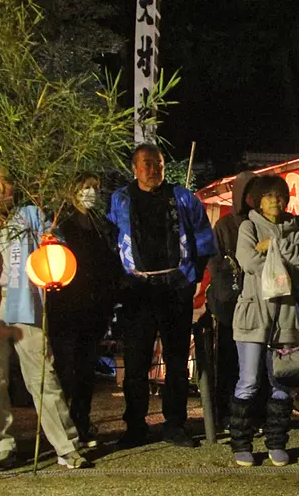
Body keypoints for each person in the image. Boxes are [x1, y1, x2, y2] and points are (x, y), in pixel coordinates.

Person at [0, 166, 89, 469]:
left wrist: (50, 242)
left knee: (43, 376)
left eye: (7, 182)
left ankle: (67, 446)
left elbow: (57, 246)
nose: (2, 188)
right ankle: (4, 448)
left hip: (25, 304)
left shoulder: (31, 214)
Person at [108, 144, 217, 448]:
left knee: (177, 360)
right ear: (134, 168)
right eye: (146, 164)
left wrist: (192, 276)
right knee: (136, 361)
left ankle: (175, 424)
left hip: (175, 287)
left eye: (158, 164)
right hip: (137, 289)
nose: (153, 170)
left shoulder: (183, 198)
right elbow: (111, 238)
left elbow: (203, 238)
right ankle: (135, 426)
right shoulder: (120, 199)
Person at [229, 175, 299, 467]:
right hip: (253, 315)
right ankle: (241, 444)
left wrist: (274, 244)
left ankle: (277, 443)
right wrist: (282, 264)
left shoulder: (295, 228)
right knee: (249, 381)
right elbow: (248, 261)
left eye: (279, 195)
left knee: (282, 382)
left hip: (286, 318)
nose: (275, 200)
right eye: (268, 196)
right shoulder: (248, 227)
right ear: (257, 201)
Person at [47, 173, 122, 448]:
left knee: (86, 371)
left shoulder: (100, 227)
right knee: (66, 370)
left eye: (95, 188)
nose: (91, 192)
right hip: (65, 309)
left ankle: (82, 423)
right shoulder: (61, 226)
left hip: (94, 309)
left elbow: (109, 263)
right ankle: (63, 431)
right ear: (73, 191)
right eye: (86, 187)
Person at [207, 172, 258, 429]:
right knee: (229, 360)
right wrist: (227, 295)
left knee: (256, 361)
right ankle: (226, 413)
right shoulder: (224, 225)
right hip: (232, 303)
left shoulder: (262, 222)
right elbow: (215, 262)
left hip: (258, 301)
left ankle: (256, 412)